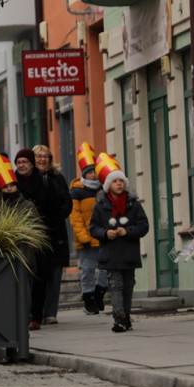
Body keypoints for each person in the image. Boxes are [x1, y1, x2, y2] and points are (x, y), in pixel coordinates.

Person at [88, 158, 148, 333]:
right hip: (111, 253)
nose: (119, 184)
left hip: (129, 253)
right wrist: (105, 233)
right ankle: (119, 318)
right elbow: (94, 228)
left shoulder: (134, 205)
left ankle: (126, 316)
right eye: (115, 181)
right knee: (116, 285)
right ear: (108, 185)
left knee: (128, 285)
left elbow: (144, 226)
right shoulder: (100, 206)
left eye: (121, 181)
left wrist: (128, 231)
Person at [13, 148, 67, 331]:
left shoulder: (45, 182)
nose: (21, 165)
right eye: (19, 162)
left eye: (25, 162)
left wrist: (47, 230)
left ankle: (36, 316)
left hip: (41, 239)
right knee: (22, 277)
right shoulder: (11, 182)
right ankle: (25, 315)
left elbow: (56, 209)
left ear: (31, 164)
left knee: (40, 279)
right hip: (19, 238)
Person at [31, 145, 71, 325]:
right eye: (39, 156)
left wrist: (57, 216)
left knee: (55, 274)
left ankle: (50, 312)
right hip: (36, 233)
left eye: (45, 156)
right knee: (38, 274)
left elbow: (67, 203)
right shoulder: (30, 179)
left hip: (57, 233)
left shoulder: (58, 178)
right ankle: (36, 313)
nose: (42, 159)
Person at [70, 142, 108, 315]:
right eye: (90, 172)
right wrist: (82, 236)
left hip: (103, 236)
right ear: (84, 174)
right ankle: (88, 298)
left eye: (95, 172)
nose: (93, 175)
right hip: (86, 238)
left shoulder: (103, 190)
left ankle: (99, 293)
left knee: (105, 268)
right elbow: (75, 217)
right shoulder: (77, 192)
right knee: (87, 269)